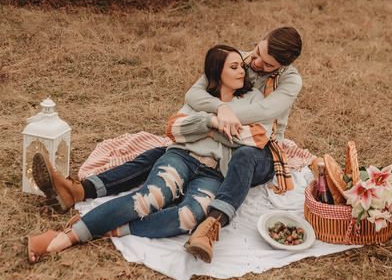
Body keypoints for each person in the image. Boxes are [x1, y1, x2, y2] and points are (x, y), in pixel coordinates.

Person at [33, 26, 303, 262]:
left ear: (280, 65)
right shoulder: (221, 77)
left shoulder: (266, 93)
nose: (249, 64)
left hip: (223, 168)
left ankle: (109, 228)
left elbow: (256, 134)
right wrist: (215, 117)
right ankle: (67, 233)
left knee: (189, 216)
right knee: (150, 196)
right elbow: (175, 127)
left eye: (264, 64)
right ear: (216, 73)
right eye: (249, 56)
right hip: (184, 156)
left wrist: (208, 124)